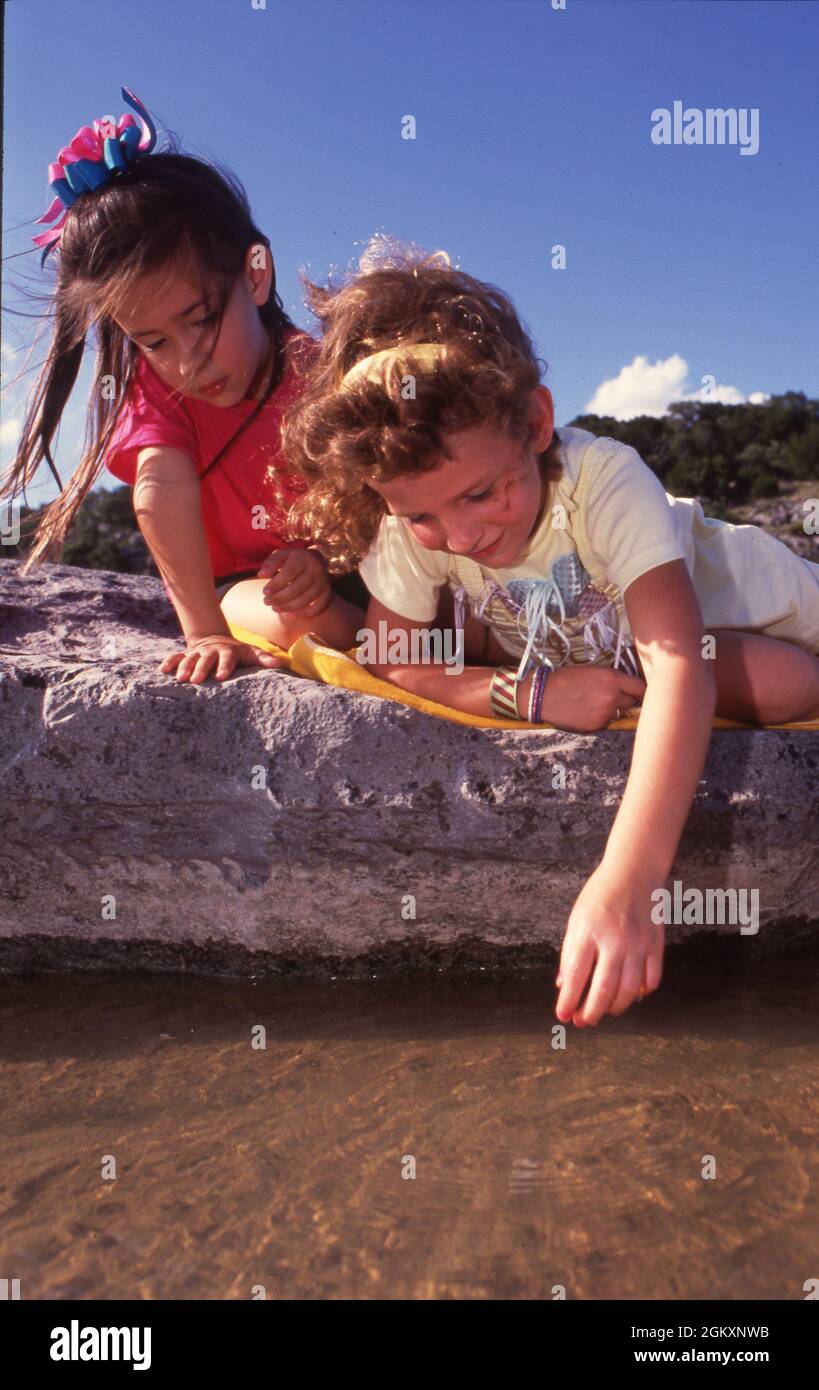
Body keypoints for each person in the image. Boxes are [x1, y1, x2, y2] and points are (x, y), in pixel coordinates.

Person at [280, 234, 819, 1027]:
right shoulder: (409, 514)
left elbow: (679, 669)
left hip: (749, 619)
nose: (459, 536)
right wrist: (528, 693)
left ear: (534, 422)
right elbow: (387, 658)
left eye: (481, 494)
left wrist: (626, 881)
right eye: (421, 514)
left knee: (786, 682)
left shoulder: (603, 478)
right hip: (596, 645)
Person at [2, 86, 365, 683]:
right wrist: (204, 633)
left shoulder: (324, 371)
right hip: (250, 589)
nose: (188, 363)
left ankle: (413, 638)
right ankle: (397, 647)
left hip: (364, 573)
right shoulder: (153, 388)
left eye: (201, 320)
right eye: (153, 341)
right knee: (281, 619)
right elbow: (157, 492)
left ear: (255, 273)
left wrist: (325, 564)